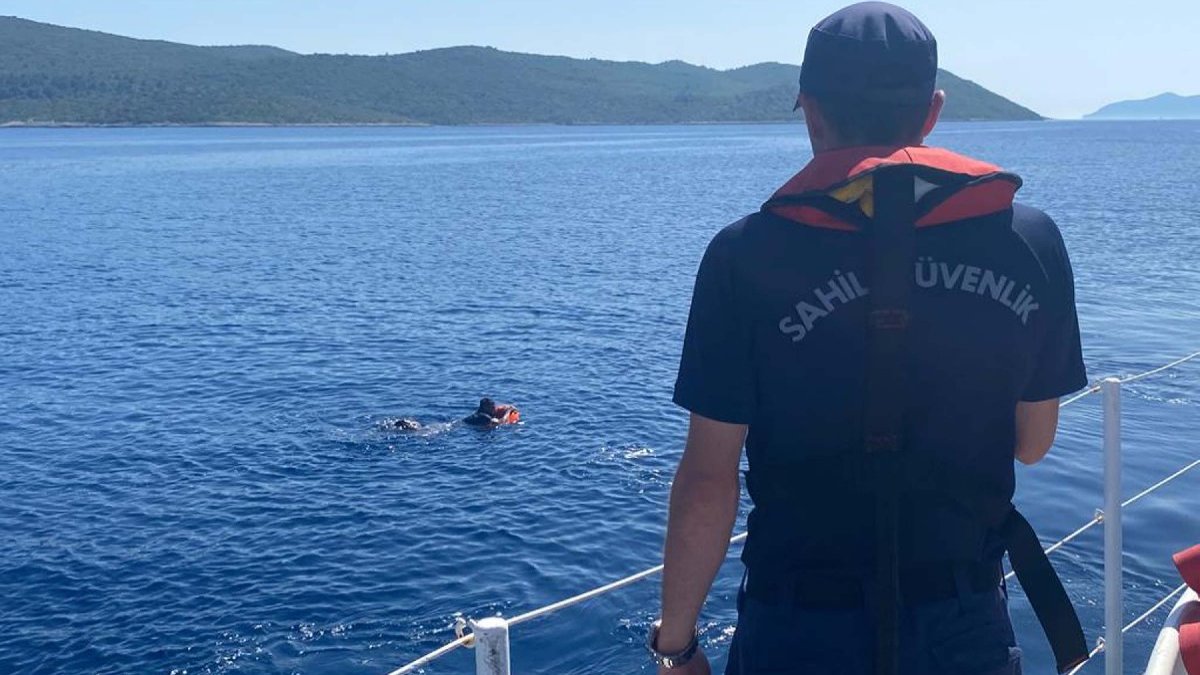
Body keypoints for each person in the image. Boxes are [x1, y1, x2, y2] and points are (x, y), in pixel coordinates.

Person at [649, 4, 1088, 675]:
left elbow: (710, 478)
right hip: (963, 621)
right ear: (932, 112)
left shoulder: (744, 256)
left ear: (811, 111)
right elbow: (1032, 443)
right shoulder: (1029, 240)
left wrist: (678, 644)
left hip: (798, 629)